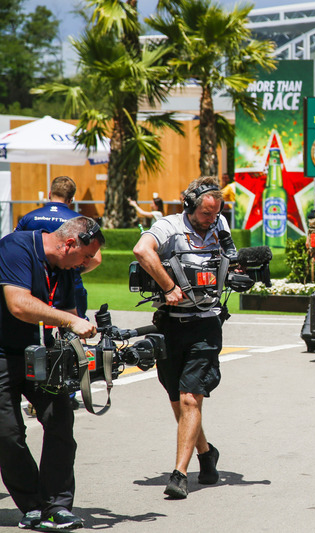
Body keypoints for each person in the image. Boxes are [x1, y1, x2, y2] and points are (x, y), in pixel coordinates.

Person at [0, 216, 103, 530]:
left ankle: (57, 506)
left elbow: (68, 316)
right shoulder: (15, 247)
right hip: (3, 353)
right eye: (86, 257)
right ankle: (32, 504)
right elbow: (18, 304)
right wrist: (70, 322)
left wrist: (86, 351)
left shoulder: (65, 269)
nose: (85, 265)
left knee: (60, 419)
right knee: (7, 434)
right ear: (69, 243)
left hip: (43, 356)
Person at [133, 177, 231, 499]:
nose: (211, 220)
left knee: (191, 398)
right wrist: (168, 286)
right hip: (170, 324)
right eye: (205, 213)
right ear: (189, 205)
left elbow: (230, 258)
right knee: (178, 399)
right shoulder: (167, 226)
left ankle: (179, 475)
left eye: (215, 213)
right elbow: (141, 250)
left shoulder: (221, 224)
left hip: (206, 323)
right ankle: (206, 453)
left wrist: (240, 273)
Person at [15, 176, 102, 321]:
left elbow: (16, 247)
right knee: (76, 329)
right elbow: (96, 259)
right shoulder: (80, 223)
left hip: (34, 286)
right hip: (70, 287)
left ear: (50, 194)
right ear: (71, 199)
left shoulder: (29, 218)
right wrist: (74, 269)